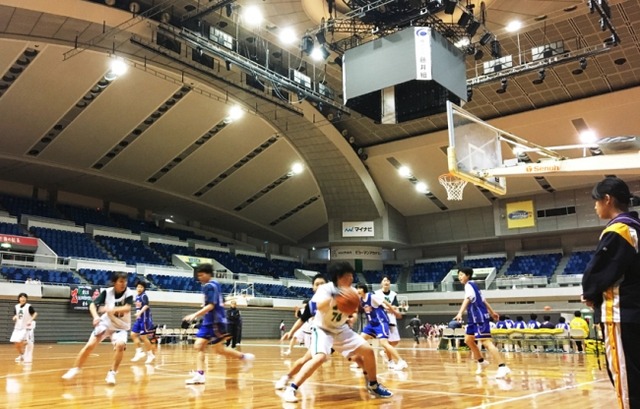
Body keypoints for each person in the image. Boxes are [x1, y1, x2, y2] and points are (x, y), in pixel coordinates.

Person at [281, 261, 392, 403]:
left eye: (352, 275)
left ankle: (373, 385)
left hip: (341, 329)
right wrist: (336, 298)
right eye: (348, 276)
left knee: (368, 351)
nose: (351, 278)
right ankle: (291, 389)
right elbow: (318, 308)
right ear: (339, 277)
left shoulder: (352, 292)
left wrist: (352, 316)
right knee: (319, 358)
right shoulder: (325, 289)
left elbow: (353, 310)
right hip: (322, 329)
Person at [581, 176, 640, 409]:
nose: (595, 207)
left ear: (607, 199)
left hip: (620, 313)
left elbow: (597, 272)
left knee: (625, 377)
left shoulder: (619, 230)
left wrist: (589, 294)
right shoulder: (636, 227)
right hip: (634, 311)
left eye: (596, 201)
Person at [182, 263, 254, 385]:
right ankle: (201, 374)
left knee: (209, 348)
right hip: (210, 321)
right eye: (198, 275)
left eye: (202, 275)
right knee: (207, 347)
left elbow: (211, 305)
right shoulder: (216, 284)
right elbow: (221, 301)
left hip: (214, 322)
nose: (199, 278)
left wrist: (195, 315)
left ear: (208, 274)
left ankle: (243, 357)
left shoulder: (209, 286)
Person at [62, 271, 134, 385]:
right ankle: (75, 369)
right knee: (90, 345)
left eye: (125, 281)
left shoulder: (128, 293)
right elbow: (92, 305)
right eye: (121, 281)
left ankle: (112, 373)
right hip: (106, 323)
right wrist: (95, 317)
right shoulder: (107, 292)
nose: (123, 284)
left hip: (121, 326)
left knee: (120, 345)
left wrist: (110, 309)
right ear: (114, 282)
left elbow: (127, 308)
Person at [453, 267, 511, 378]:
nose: (459, 277)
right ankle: (482, 362)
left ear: (468, 275)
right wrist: (492, 312)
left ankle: (502, 366)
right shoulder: (475, 286)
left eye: (461, 274)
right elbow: (484, 300)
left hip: (479, 317)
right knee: (468, 340)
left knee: (486, 342)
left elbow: (467, 299)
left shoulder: (469, 285)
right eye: (458, 275)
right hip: (473, 319)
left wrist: (460, 313)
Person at [276, 274, 327, 388]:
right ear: (313, 287)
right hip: (324, 336)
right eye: (317, 284)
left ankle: (369, 381)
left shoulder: (337, 298)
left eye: (322, 284)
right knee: (307, 360)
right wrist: (291, 332)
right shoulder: (312, 304)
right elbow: (301, 319)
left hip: (340, 333)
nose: (320, 286)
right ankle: (287, 378)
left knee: (360, 353)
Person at [356, 283, 408, 370]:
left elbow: (385, 302)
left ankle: (401, 361)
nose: (358, 290)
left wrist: (394, 312)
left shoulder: (372, 296)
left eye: (359, 288)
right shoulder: (361, 300)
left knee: (384, 343)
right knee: (359, 340)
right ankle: (360, 361)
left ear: (364, 289)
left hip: (381, 323)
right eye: (357, 289)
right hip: (371, 324)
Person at [374, 276, 403, 362]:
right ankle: (391, 361)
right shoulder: (376, 293)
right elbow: (376, 305)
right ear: (381, 283)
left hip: (392, 318)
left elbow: (395, 306)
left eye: (388, 281)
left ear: (390, 283)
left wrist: (391, 308)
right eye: (384, 280)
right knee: (386, 341)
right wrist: (388, 308)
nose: (386, 282)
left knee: (395, 341)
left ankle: (384, 351)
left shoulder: (393, 294)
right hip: (382, 319)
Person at [130, 280, 155, 364]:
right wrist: (138, 314)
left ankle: (150, 355)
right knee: (133, 334)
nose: (139, 288)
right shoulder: (137, 296)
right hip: (139, 319)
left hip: (145, 319)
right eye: (138, 287)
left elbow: (146, 305)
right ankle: (139, 352)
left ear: (144, 288)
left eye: (141, 287)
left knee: (143, 337)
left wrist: (140, 313)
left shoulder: (144, 296)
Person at [11, 292, 37, 363]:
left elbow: (35, 313)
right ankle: (21, 355)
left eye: (24, 297)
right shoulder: (16, 306)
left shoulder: (28, 306)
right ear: (19, 299)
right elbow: (16, 315)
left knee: (22, 341)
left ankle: (28, 344)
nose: (23, 299)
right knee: (16, 342)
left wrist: (30, 320)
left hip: (26, 327)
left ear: (26, 299)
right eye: (21, 297)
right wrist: (15, 317)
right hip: (18, 327)